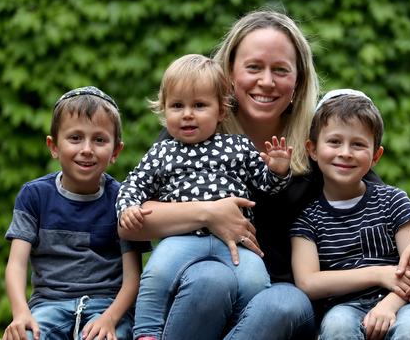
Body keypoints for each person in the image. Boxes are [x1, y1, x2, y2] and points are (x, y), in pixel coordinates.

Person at [119, 9, 410, 340]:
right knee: (210, 278)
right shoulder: (192, 132)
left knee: (283, 302)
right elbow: (132, 217)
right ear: (229, 75)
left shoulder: (317, 145)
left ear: (298, 82)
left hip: (284, 304)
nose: (267, 81)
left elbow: (384, 201)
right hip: (201, 296)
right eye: (254, 67)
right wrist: (208, 213)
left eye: (280, 70)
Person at [116, 53, 293, 340]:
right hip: (181, 238)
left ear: (221, 111)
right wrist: (127, 208)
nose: (187, 114)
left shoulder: (237, 146)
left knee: (256, 281)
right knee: (157, 273)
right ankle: (146, 332)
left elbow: (265, 186)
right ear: (163, 110)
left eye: (199, 105)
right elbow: (133, 185)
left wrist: (278, 171)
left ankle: (237, 330)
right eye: (177, 106)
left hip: (236, 242)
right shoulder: (162, 151)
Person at [290, 89, 410, 340]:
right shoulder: (308, 219)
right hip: (344, 308)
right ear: (312, 150)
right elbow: (308, 283)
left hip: (403, 303)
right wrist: (379, 273)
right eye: (334, 141)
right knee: (337, 325)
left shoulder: (393, 201)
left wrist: (388, 306)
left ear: (375, 156)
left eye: (358, 144)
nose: (345, 152)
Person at [3, 86, 150, 340]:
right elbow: (16, 264)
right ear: (54, 146)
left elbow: (133, 277)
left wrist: (110, 319)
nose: (87, 149)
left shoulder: (124, 200)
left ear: (116, 151)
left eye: (100, 140)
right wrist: (20, 313)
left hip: (106, 308)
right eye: (75, 138)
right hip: (48, 305)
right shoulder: (33, 196)